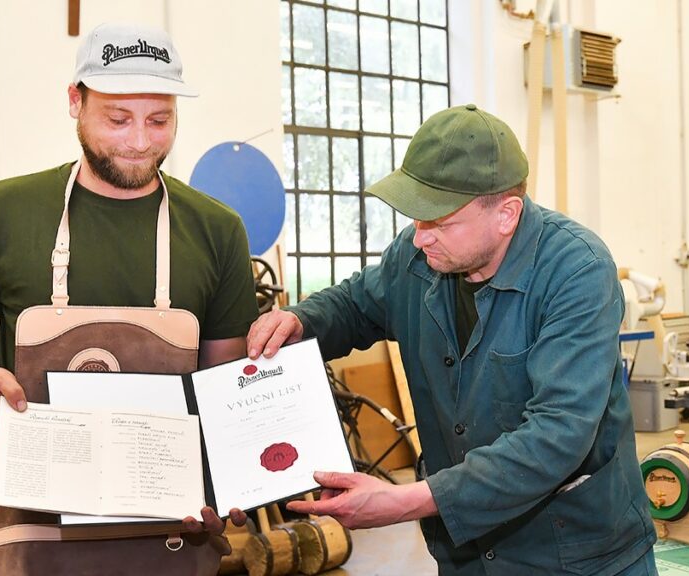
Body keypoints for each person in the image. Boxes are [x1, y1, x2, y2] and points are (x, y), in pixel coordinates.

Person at [247, 104, 658, 575]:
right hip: (466, 555)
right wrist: (301, 321)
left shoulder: (576, 271)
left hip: (575, 553)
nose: (420, 238)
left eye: (439, 221)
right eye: (416, 218)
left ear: (506, 214)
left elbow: (557, 435)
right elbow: (355, 305)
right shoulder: (420, 255)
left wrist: (406, 501)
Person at [0, 23, 257, 534]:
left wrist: (236, 475)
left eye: (159, 120)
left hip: (165, 521)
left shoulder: (217, 229)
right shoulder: (7, 210)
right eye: (118, 119)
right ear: (75, 101)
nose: (140, 142)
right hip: (21, 519)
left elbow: (223, 386)